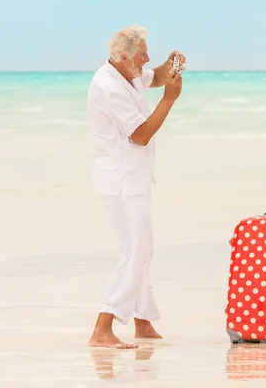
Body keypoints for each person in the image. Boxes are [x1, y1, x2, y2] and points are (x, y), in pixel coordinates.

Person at [86, 24, 185, 349]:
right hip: (122, 181)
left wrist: (169, 67)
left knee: (137, 249)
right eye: (143, 53)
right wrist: (169, 100)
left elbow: (153, 77)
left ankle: (142, 322)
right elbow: (140, 135)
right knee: (138, 249)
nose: (148, 58)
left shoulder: (127, 72)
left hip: (133, 179)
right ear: (125, 57)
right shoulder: (109, 87)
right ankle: (104, 325)